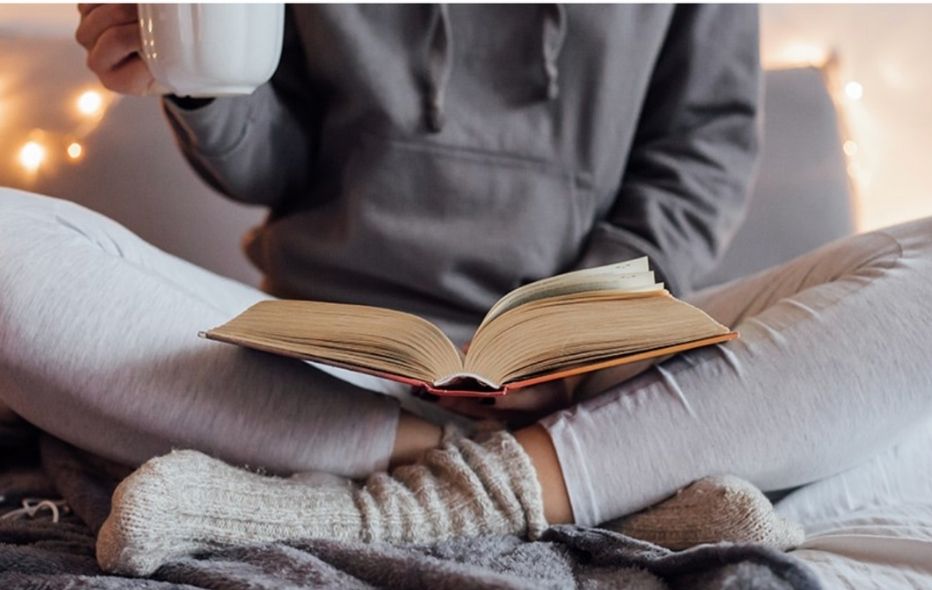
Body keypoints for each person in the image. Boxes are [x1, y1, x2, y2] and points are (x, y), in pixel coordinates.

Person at [1, 3, 930, 577]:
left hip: (602, 367)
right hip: (317, 363)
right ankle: (594, 482)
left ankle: (421, 491)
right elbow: (274, 162)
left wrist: (583, 326)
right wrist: (197, 84)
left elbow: (703, 148)